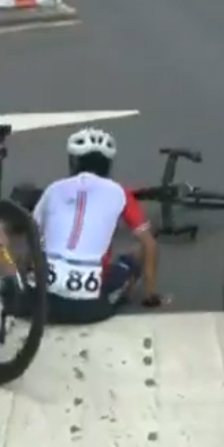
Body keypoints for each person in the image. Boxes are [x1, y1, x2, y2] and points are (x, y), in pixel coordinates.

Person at [22, 128, 164, 323]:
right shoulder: (119, 192)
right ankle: (130, 290)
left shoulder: (53, 189)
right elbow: (150, 245)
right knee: (136, 254)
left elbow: (31, 237)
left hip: (40, 303)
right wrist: (150, 295)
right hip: (89, 307)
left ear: (73, 162)